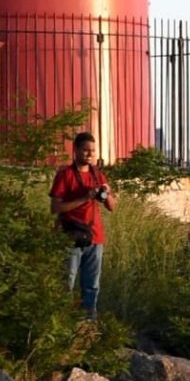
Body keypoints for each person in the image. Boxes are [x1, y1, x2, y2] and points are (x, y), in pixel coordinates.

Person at [49, 132, 113, 314]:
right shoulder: (65, 175)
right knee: (66, 283)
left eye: (92, 151)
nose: (89, 154)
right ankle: (61, 321)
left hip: (95, 237)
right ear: (75, 150)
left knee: (92, 285)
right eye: (85, 150)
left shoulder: (98, 175)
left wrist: (106, 193)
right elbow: (55, 208)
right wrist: (85, 197)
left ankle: (88, 326)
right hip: (71, 236)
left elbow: (112, 207)